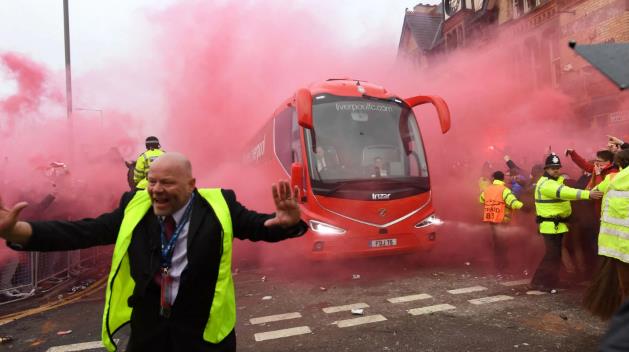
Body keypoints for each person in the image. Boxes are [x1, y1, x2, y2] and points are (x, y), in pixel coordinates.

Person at [0, 152, 307, 352]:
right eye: (152, 181)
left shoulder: (219, 204)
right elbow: (83, 231)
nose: (156, 189)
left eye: (167, 183)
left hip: (205, 334)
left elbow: (258, 226)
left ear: (191, 185)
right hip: (148, 334)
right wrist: (20, 231)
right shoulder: (134, 207)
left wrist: (284, 223)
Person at [530, 153, 603, 291]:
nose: (556, 170)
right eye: (552, 168)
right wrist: (588, 194)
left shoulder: (554, 181)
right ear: (546, 169)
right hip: (551, 225)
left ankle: (547, 281)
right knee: (552, 255)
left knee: (553, 255)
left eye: (557, 167)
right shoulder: (547, 184)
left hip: (556, 224)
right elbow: (565, 192)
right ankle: (542, 283)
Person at [584, 149, 629, 320]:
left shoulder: (611, 178)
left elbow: (593, 192)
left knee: (624, 287)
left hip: (613, 244)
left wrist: (596, 175)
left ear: (618, 164)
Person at [479, 170, 524, 274]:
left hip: (492, 220)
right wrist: (523, 206)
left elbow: (481, 200)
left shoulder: (487, 190)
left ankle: (497, 265)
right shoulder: (505, 190)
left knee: (496, 243)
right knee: (503, 243)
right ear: (503, 179)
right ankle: (503, 265)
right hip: (502, 220)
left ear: (494, 179)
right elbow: (513, 202)